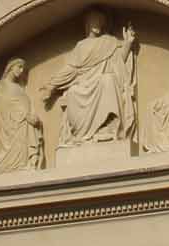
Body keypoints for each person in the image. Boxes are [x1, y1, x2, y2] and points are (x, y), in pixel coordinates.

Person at [43, 10, 137, 152]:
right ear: (87, 24)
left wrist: (128, 43)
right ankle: (81, 135)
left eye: (100, 21)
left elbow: (118, 61)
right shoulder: (81, 46)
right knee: (73, 91)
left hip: (102, 81)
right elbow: (71, 68)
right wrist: (52, 86)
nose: (97, 24)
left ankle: (106, 127)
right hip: (84, 83)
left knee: (108, 79)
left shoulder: (108, 41)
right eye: (94, 21)